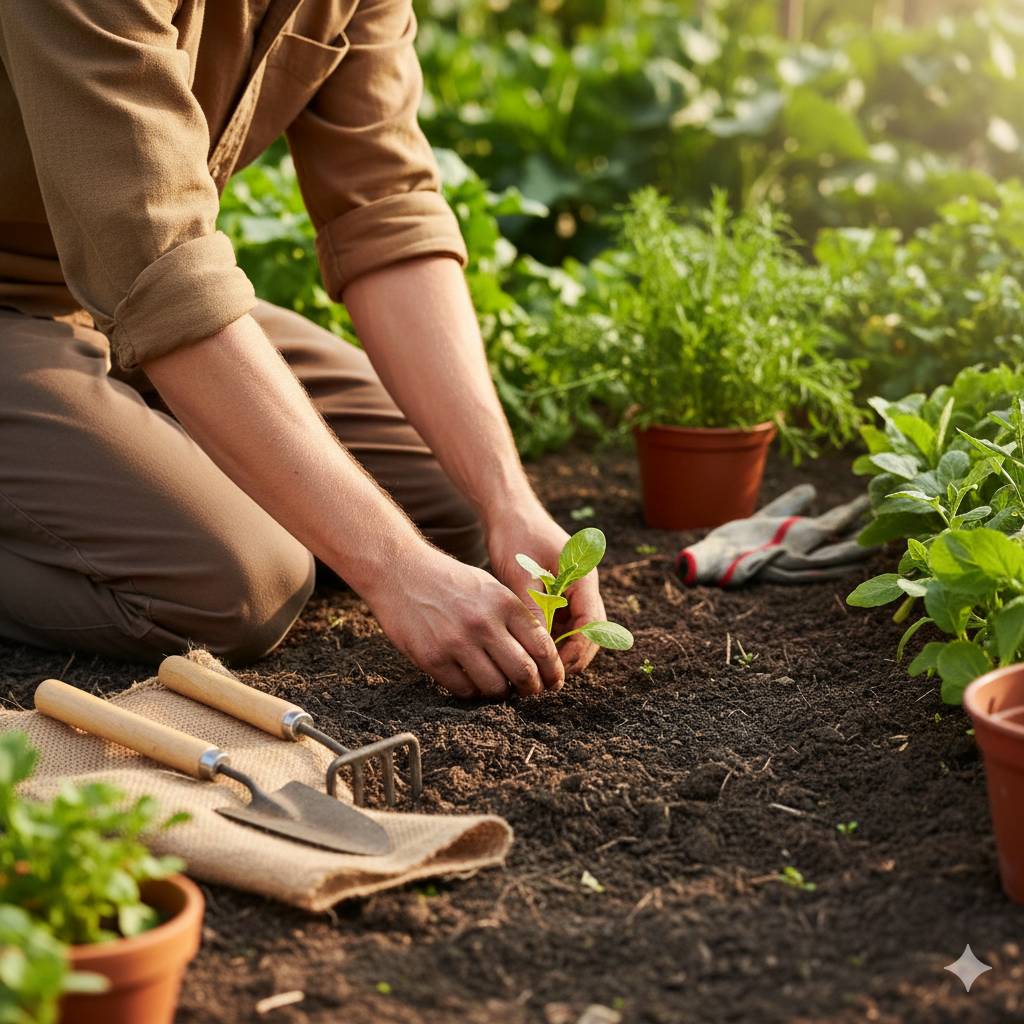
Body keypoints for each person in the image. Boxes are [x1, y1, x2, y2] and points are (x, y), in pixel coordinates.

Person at [0, 0, 605, 699]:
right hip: (56, 289)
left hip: (113, 294)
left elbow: (382, 207)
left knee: (452, 506)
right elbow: (156, 260)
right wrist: (394, 566)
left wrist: (510, 501)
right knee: (240, 586)